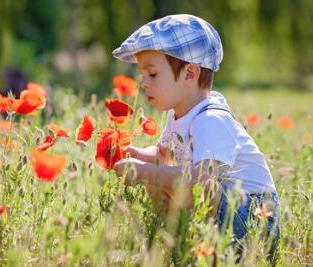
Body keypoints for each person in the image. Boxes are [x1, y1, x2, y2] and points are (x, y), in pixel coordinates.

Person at [111, 14, 280, 263]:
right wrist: (132, 154)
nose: (143, 83)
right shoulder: (177, 114)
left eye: (153, 74)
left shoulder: (210, 119)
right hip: (223, 213)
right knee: (159, 178)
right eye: (143, 75)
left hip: (254, 218)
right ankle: (176, 238)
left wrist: (144, 171)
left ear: (190, 74)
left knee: (197, 186)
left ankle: (193, 241)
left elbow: (202, 178)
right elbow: (164, 156)